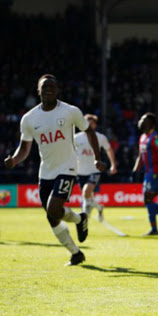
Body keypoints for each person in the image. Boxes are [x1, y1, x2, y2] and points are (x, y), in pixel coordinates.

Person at [3, 74, 106, 265]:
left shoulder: (70, 111)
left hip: (67, 167)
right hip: (46, 171)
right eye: (44, 87)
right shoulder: (29, 118)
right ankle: (76, 250)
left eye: (52, 86)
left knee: (53, 208)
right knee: (52, 216)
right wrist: (15, 160)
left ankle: (78, 222)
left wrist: (97, 158)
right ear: (38, 91)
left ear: (58, 90)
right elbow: (25, 148)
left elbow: (89, 131)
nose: (48, 89)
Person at [75, 114, 117, 221]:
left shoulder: (100, 137)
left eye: (91, 123)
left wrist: (113, 165)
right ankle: (99, 207)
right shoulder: (76, 138)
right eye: (86, 123)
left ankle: (85, 214)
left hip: (94, 170)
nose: (89, 125)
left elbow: (109, 149)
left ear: (95, 125)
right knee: (87, 196)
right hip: (80, 171)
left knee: (86, 192)